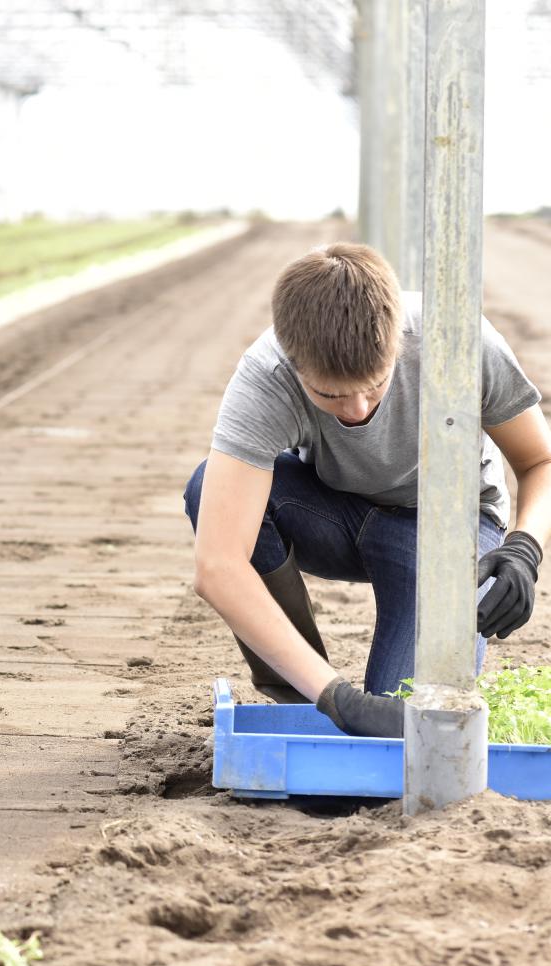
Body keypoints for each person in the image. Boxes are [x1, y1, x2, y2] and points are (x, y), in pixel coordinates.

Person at [183, 242, 551, 738]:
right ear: (293, 361)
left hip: (447, 529)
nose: (356, 410)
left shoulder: (456, 341)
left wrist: (524, 548)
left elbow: (539, 460)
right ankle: (305, 694)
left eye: (374, 385)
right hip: (338, 514)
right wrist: (335, 697)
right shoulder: (267, 375)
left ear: (397, 343)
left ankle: (346, 700)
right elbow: (218, 565)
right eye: (329, 395)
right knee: (209, 487)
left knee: (412, 728)